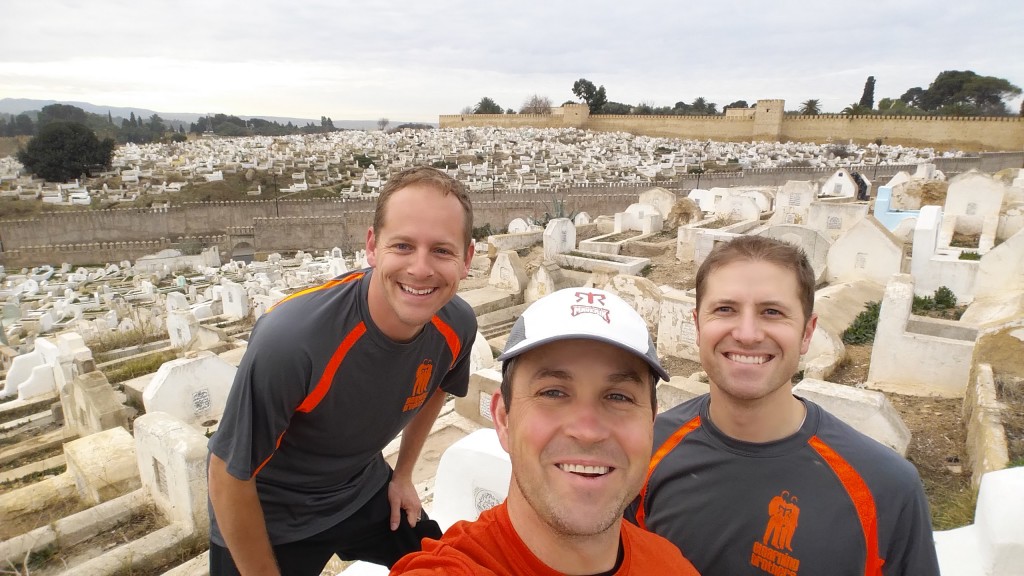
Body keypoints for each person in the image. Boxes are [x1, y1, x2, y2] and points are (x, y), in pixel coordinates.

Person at [207, 166, 478, 576]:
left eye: (442, 250)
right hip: (271, 515)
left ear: (468, 259)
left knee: (452, 567)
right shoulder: (293, 341)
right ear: (372, 246)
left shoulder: (455, 325)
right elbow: (227, 473)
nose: (420, 269)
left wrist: (403, 474)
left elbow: (438, 385)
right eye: (402, 246)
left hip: (360, 489)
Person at [626, 235, 940, 576]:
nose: (747, 334)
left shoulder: (884, 488)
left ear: (807, 333)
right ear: (698, 325)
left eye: (772, 312)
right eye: (725, 309)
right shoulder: (646, 452)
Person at [392, 287, 700, 575]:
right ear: (503, 419)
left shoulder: (671, 566)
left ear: (650, 422)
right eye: (553, 393)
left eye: (619, 396)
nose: (587, 431)